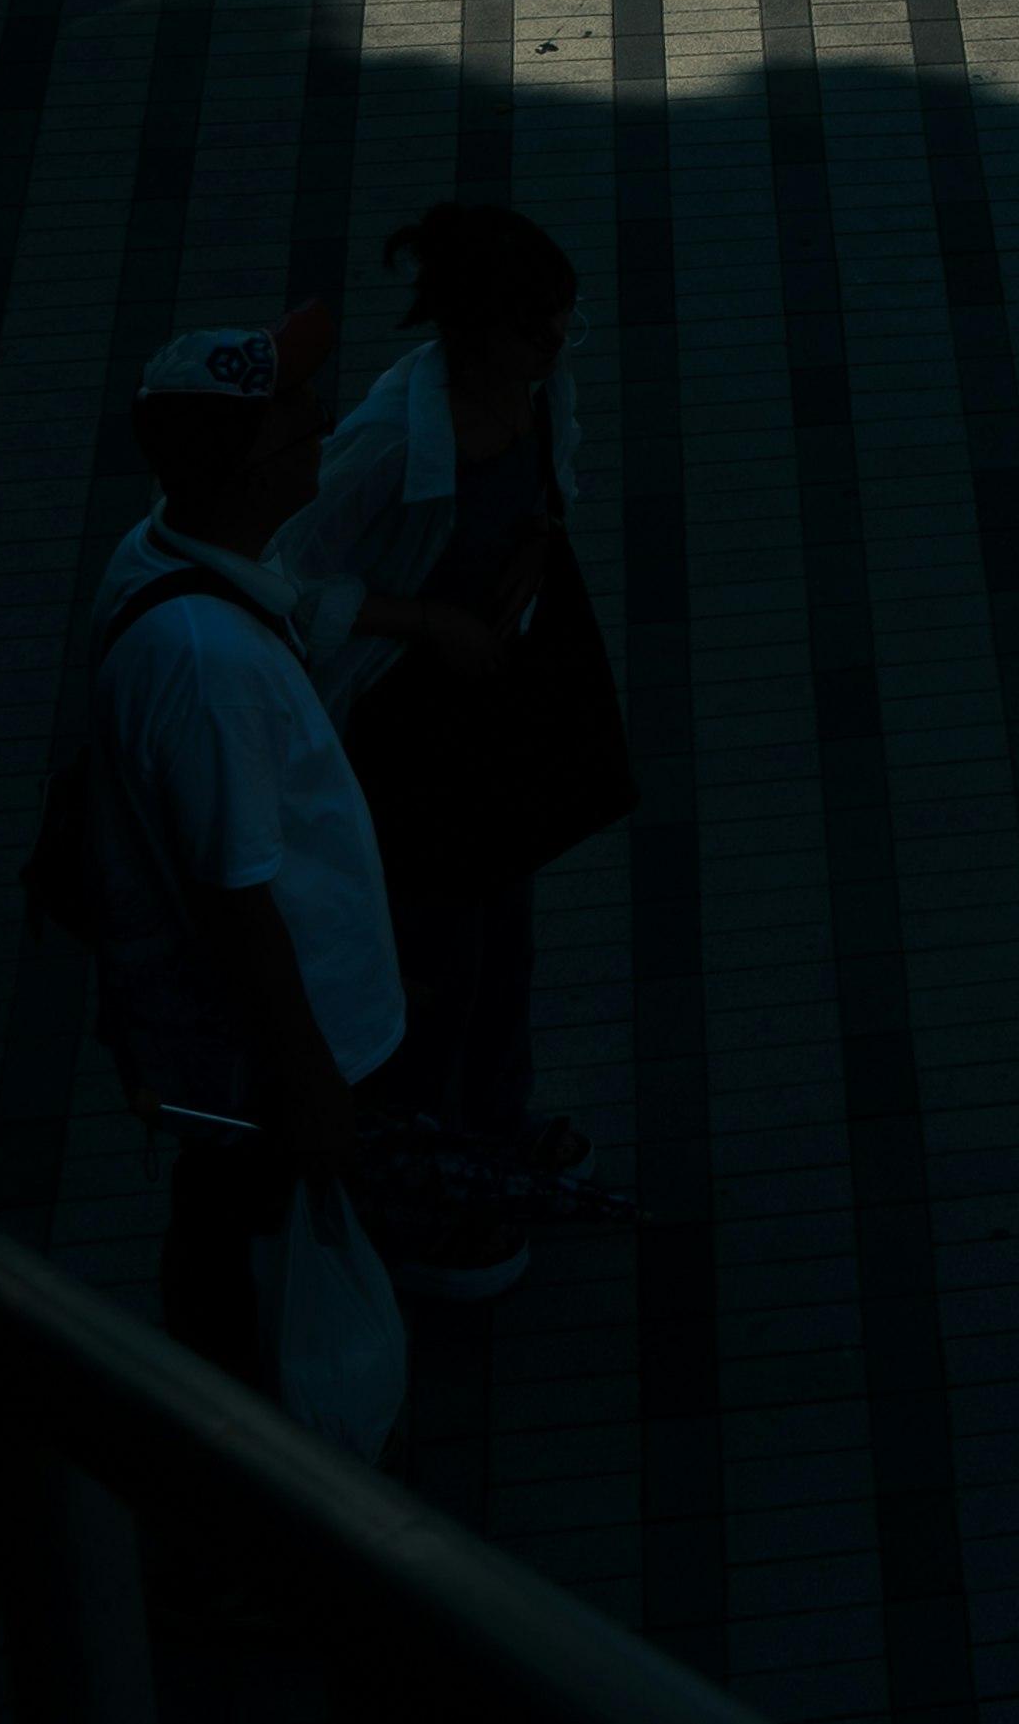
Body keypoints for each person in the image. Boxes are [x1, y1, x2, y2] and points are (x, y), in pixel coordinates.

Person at [288, 199, 627, 1288]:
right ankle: (423, 1185)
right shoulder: (392, 440)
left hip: (499, 693)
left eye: (563, 324)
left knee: (505, 932)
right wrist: (428, 619)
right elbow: (292, 576)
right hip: (413, 725)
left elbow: (550, 476)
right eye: (538, 330)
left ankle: (492, 1126)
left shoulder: (533, 391)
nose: (558, 348)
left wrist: (541, 530)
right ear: (471, 333)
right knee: (436, 957)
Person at [83, 304, 408, 1385]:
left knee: (239, 1217)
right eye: (295, 417)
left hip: (268, 1036)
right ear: (246, 473)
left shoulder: (165, 551)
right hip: (269, 1048)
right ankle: (238, 1432)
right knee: (245, 1234)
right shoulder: (205, 662)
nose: (322, 421)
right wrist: (309, 1082)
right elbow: (236, 893)